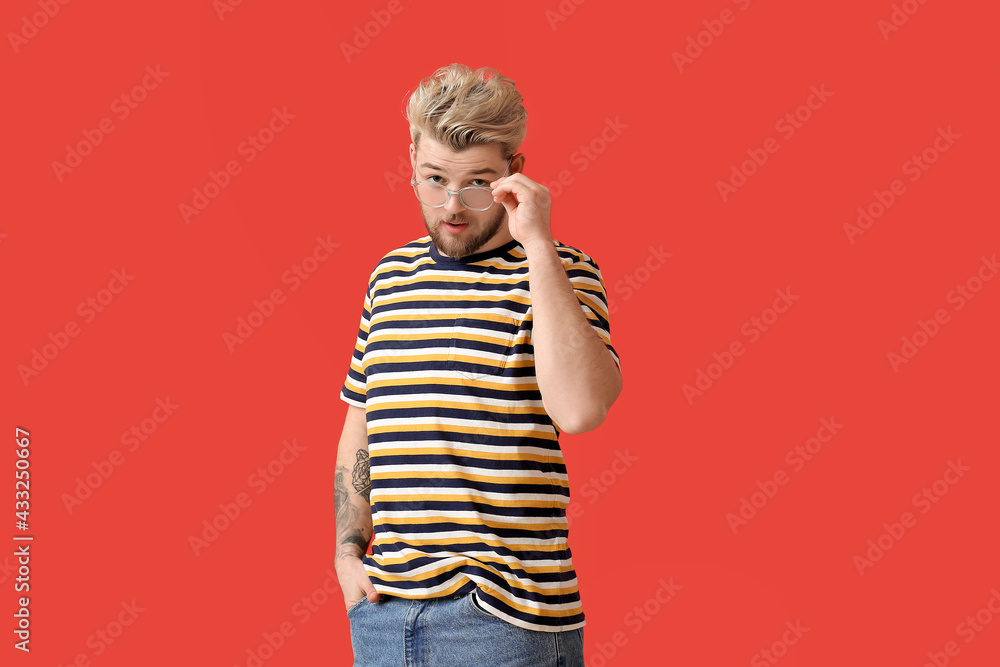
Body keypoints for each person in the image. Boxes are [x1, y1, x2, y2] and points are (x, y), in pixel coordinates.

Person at [334, 63, 623, 667]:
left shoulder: (560, 273)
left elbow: (580, 409)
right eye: (434, 180)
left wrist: (538, 244)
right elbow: (363, 419)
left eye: (476, 184)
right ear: (410, 159)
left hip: (502, 616)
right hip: (384, 613)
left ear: (514, 175)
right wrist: (346, 550)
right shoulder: (389, 278)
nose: (453, 207)